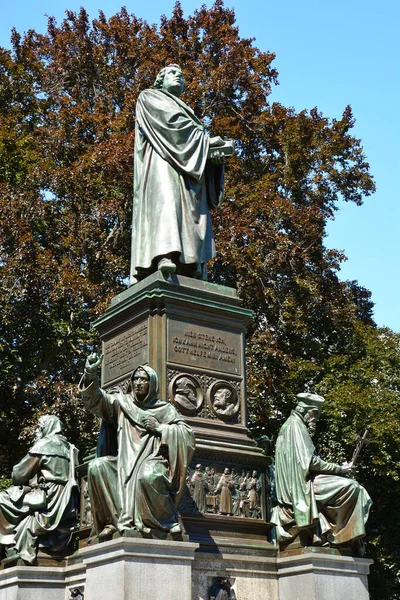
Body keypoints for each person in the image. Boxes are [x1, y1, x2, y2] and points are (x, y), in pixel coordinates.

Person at [130, 63, 230, 284]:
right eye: (173, 73)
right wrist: (205, 141)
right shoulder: (149, 98)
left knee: (190, 213)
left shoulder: (188, 111)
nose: (178, 77)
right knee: (166, 204)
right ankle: (163, 254)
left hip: (189, 175)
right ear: (160, 80)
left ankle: (189, 262)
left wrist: (213, 158)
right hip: (162, 165)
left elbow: (191, 137)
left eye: (182, 75)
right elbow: (171, 126)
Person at [79, 354, 195, 536]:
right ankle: (113, 521)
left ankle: (165, 521)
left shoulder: (165, 409)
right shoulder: (122, 403)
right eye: (136, 379)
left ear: (152, 383)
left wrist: (160, 428)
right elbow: (96, 401)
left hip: (152, 459)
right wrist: (90, 373)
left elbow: (186, 435)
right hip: (124, 464)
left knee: (148, 475)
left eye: (144, 379)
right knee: (97, 467)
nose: (139, 382)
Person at [271, 392, 372, 555]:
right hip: (301, 485)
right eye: (315, 414)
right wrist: (340, 469)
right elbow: (311, 462)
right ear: (307, 410)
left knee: (353, 488)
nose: (316, 419)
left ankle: (342, 539)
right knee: (352, 488)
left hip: (301, 481)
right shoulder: (296, 426)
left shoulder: (292, 426)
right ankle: (341, 538)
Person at [0, 415, 78, 564]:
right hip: (66, 498)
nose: (38, 430)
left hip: (47, 497)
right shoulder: (70, 447)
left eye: (39, 428)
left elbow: (18, 475)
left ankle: (10, 543)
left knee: (2, 499)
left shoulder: (44, 444)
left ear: (46, 428)